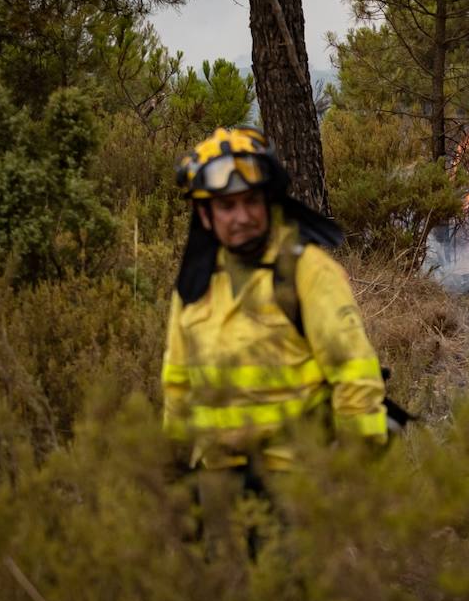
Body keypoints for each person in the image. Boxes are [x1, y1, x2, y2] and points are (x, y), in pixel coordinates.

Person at [163, 126, 387, 550]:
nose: (241, 216)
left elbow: (356, 382)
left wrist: (350, 484)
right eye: (226, 206)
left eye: (251, 201)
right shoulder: (194, 288)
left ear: (269, 202)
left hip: (298, 494)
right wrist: (170, 488)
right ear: (206, 215)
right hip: (218, 498)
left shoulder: (308, 273)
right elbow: (177, 392)